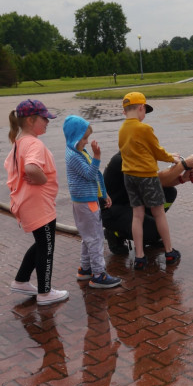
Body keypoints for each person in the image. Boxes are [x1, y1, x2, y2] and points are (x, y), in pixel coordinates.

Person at [4, 99, 68, 306]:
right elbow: (31, 168)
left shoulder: (19, 143)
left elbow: (12, 167)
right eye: (45, 119)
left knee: (42, 243)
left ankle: (22, 280)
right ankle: (45, 292)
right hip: (38, 204)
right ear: (31, 120)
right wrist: (42, 179)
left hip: (27, 203)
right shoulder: (34, 144)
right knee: (47, 246)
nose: (48, 122)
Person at [118, 91, 183, 270]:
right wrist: (172, 158)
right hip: (147, 176)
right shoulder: (144, 128)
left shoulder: (123, 129)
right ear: (141, 108)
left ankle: (139, 257)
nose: (144, 115)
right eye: (145, 110)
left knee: (137, 216)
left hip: (129, 176)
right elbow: (157, 151)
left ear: (124, 111)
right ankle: (169, 252)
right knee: (159, 213)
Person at [101, 150, 193, 254]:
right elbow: (154, 181)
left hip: (129, 202)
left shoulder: (136, 155)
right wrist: (184, 165)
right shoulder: (122, 161)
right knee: (157, 230)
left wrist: (182, 179)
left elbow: (156, 183)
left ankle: (147, 230)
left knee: (169, 193)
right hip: (112, 210)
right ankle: (114, 233)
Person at [63, 115, 121, 289]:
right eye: (84, 138)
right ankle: (98, 274)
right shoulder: (74, 156)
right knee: (95, 238)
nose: (87, 142)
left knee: (88, 237)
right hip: (86, 203)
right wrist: (97, 156)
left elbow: (95, 177)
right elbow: (90, 173)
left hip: (87, 200)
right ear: (74, 136)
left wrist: (104, 194)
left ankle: (85, 268)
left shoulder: (78, 152)